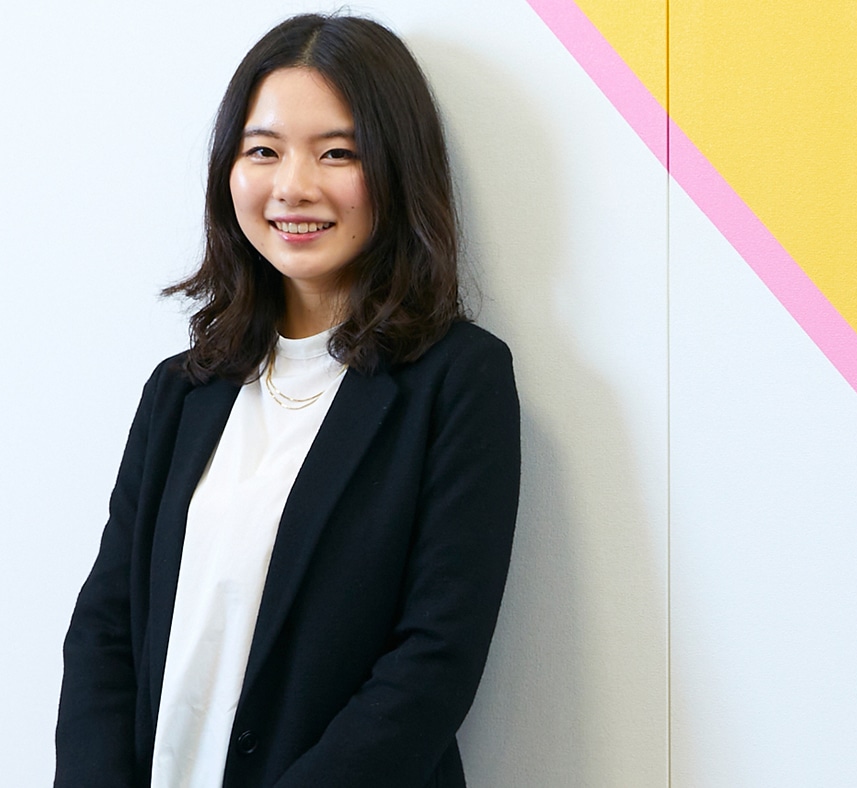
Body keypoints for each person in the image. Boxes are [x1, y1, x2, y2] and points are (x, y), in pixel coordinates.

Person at [54, 13, 520, 788]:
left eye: (338, 153)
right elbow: (106, 626)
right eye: (263, 150)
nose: (293, 186)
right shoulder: (182, 390)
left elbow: (433, 663)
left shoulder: (457, 381)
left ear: (398, 169)